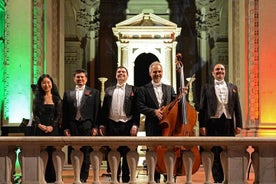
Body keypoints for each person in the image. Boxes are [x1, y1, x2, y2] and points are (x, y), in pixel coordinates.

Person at [198, 63, 243, 183]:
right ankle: (218, 179)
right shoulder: (206, 87)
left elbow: (237, 107)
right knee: (215, 151)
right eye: (217, 69)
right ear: (213, 73)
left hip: (228, 122)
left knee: (228, 150)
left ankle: (228, 177)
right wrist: (202, 125)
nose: (220, 71)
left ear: (225, 72)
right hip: (212, 122)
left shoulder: (233, 87)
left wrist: (239, 124)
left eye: (222, 69)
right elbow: (201, 109)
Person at [136, 61, 176, 183]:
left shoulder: (169, 88)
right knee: (152, 151)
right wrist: (154, 112)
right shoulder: (143, 89)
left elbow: (174, 104)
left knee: (167, 150)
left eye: (159, 71)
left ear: (162, 72)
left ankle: (168, 175)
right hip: (152, 124)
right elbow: (139, 106)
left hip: (167, 126)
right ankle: (154, 177)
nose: (157, 74)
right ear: (150, 73)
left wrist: (181, 96)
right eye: (154, 72)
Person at [99, 66, 140, 183]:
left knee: (127, 153)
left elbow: (137, 109)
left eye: (123, 72)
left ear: (127, 75)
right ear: (116, 75)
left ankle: (126, 178)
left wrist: (135, 125)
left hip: (127, 124)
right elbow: (104, 110)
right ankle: (115, 177)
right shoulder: (109, 90)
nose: (121, 73)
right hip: (112, 124)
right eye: (119, 72)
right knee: (113, 152)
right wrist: (102, 124)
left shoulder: (133, 89)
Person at [62, 68, 101, 183]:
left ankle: (83, 177)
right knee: (74, 150)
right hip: (73, 124)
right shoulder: (68, 93)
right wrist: (65, 127)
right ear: (74, 78)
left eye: (82, 77)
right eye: (77, 77)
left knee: (86, 151)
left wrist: (95, 127)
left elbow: (97, 111)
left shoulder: (94, 93)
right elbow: (65, 112)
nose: (80, 79)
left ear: (86, 79)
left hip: (87, 124)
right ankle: (76, 174)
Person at [32, 74, 62, 183]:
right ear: (40, 85)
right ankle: (40, 177)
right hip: (40, 129)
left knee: (52, 153)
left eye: (48, 82)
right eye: (43, 83)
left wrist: (51, 126)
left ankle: (53, 178)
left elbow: (58, 116)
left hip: (53, 129)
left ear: (52, 84)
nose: (46, 85)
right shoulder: (37, 99)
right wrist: (40, 125)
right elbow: (35, 115)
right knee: (41, 152)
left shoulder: (56, 99)